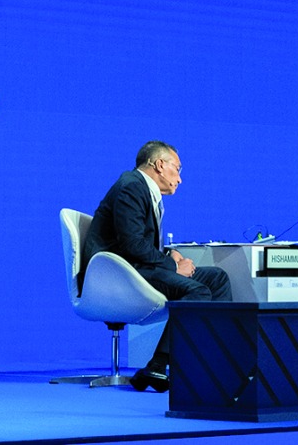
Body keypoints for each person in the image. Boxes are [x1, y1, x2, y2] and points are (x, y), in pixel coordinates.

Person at [81, 141, 232, 393]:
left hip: (137, 266)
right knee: (198, 292)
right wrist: (172, 267)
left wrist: (169, 255)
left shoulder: (142, 189)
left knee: (216, 279)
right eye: (178, 169)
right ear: (160, 165)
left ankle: (212, 361)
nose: (180, 179)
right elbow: (131, 245)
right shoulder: (131, 187)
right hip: (121, 273)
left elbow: (135, 240)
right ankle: (160, 365)